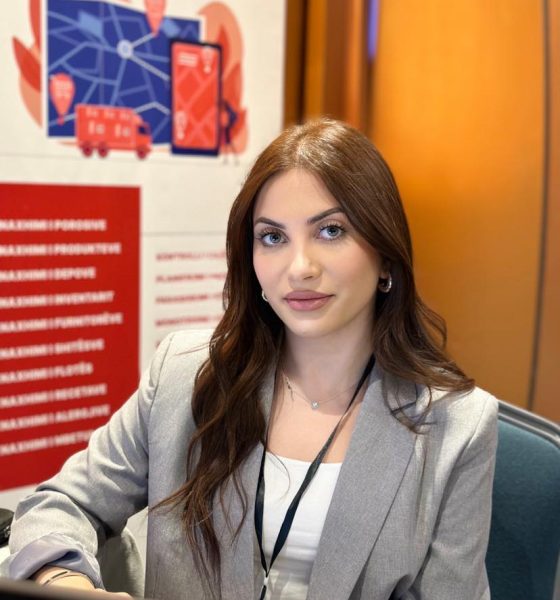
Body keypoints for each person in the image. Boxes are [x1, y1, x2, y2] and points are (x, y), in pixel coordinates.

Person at [5, 118, 498, 600]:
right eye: (273, 237)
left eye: (331, 231)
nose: (299, 268)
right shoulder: (185, 374)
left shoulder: (457, 426)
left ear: (386, 255)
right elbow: (61, 504)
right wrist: (62, 581)